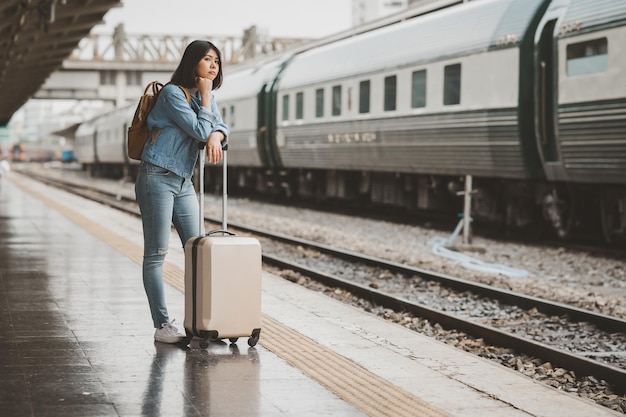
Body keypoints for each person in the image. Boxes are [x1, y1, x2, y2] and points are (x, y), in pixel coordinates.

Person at [135, 40, 229, 343]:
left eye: (216, 60)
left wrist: (218, 132)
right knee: (156, 253)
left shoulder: (206, 98)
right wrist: (208, 118)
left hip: (183, 182)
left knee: (198, 251)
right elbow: (200, 130)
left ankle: (202, 320)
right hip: (156, 177)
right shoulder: (173, 94)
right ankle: (162, 326)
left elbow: (221, 126)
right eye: (207, 59)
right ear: (192, 63)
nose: (213, 66)